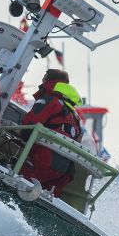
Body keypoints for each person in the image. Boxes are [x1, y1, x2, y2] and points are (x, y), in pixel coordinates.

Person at [20, 68, 83, 197]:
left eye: (43, 79)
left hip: (43, 161)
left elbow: (29, 126)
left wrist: (20, 135)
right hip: (64, 171)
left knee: (16, 172)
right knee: (46, 197)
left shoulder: (49, 101)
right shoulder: (75, 116)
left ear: (48, 82)